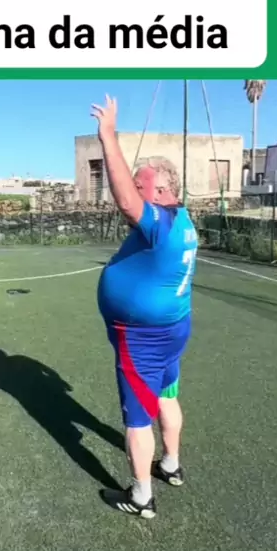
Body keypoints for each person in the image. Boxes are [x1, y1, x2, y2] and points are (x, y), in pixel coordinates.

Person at [92, 95, 198, 519]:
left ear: (162, 190)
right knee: (168, 395)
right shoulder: (183, 219)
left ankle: (141, 497)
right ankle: (170, 465)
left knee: (138, 418)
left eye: (141, 186)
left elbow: (125, 202)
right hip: (172, 330)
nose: (134, 192)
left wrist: (108, 135)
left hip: (143, 339)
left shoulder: (162, 223)